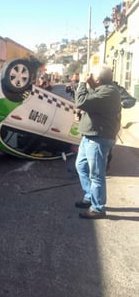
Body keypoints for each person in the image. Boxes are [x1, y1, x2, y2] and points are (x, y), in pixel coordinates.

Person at [74, 65, 121, 219]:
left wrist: (82, 82)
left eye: (92, 75)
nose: (89, 77)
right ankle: (89, 196)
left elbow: (81, 101)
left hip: (98, 139)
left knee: (96, 175)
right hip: (89, 136)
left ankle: (98, 208)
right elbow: (91, 97)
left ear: (98, 79)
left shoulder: (109, 92)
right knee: (80, 166)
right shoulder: (103, 89)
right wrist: (90, 85)